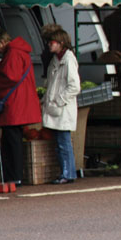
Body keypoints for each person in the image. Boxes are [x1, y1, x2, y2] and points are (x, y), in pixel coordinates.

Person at [0, 27, 42, 188]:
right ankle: (14, 175)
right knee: (14, 141)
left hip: (14, 104)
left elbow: (10, 77)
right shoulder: (19, 51)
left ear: (2, 42)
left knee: (11, 142)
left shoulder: (12, 53)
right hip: (22, 101)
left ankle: (14, 176)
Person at [41, 27, 82, 185]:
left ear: (61, 43)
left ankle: (68, 173)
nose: (49, 45)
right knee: (59, 143)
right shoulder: (56, 59)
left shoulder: (68, 60)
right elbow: (51, 83)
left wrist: (58, 99)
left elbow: (75, 86)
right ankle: (66, 172)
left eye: (52, 42)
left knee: (63, 142)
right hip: (55, 107)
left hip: (62, 108)